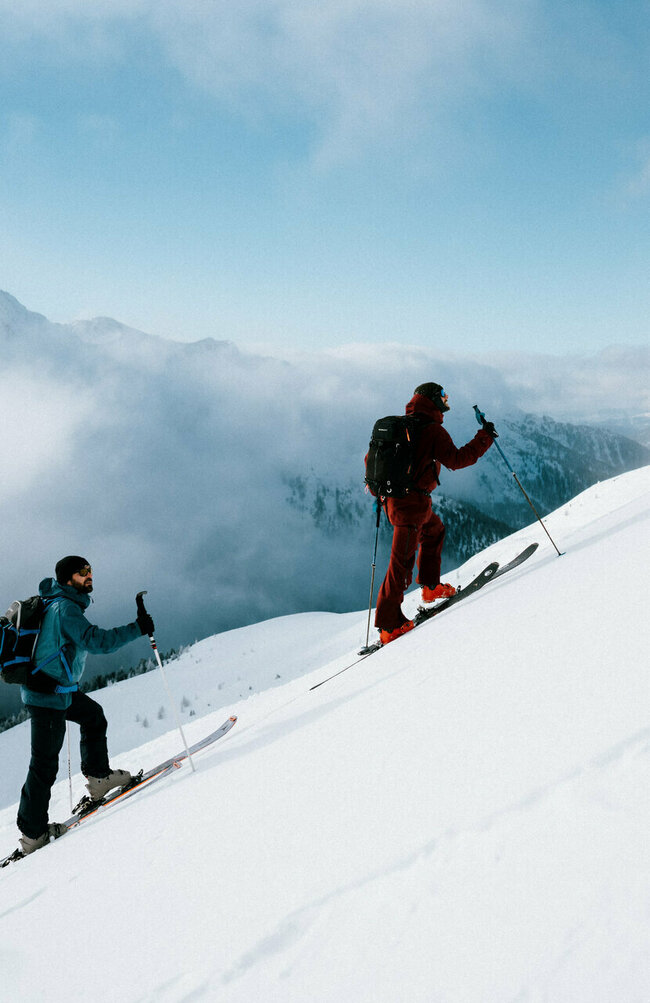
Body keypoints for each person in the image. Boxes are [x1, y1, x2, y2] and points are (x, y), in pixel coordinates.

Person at [16, 556, 155, 856]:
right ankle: (33, 833)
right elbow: (97, 641)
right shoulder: (65, 609)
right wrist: (138, 628)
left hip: (59, 691)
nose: (89, 575)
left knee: (93, 717)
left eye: (90, 570)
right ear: (68, 580)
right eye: (82, 572)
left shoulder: (55, 601)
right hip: (48, 697)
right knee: (43, 764)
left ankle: (99, 779)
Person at [375, 383, 496, 645]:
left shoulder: (401, 426)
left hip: (402, 502)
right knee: (400, 564)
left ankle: (430, 588)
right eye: (443, 397)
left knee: (434, 530)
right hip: (410, 505)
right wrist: (484, 437)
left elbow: (372, 462)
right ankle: (388, 625)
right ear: (433, 400)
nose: (446, 402)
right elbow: (456, 460)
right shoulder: (431, 430)